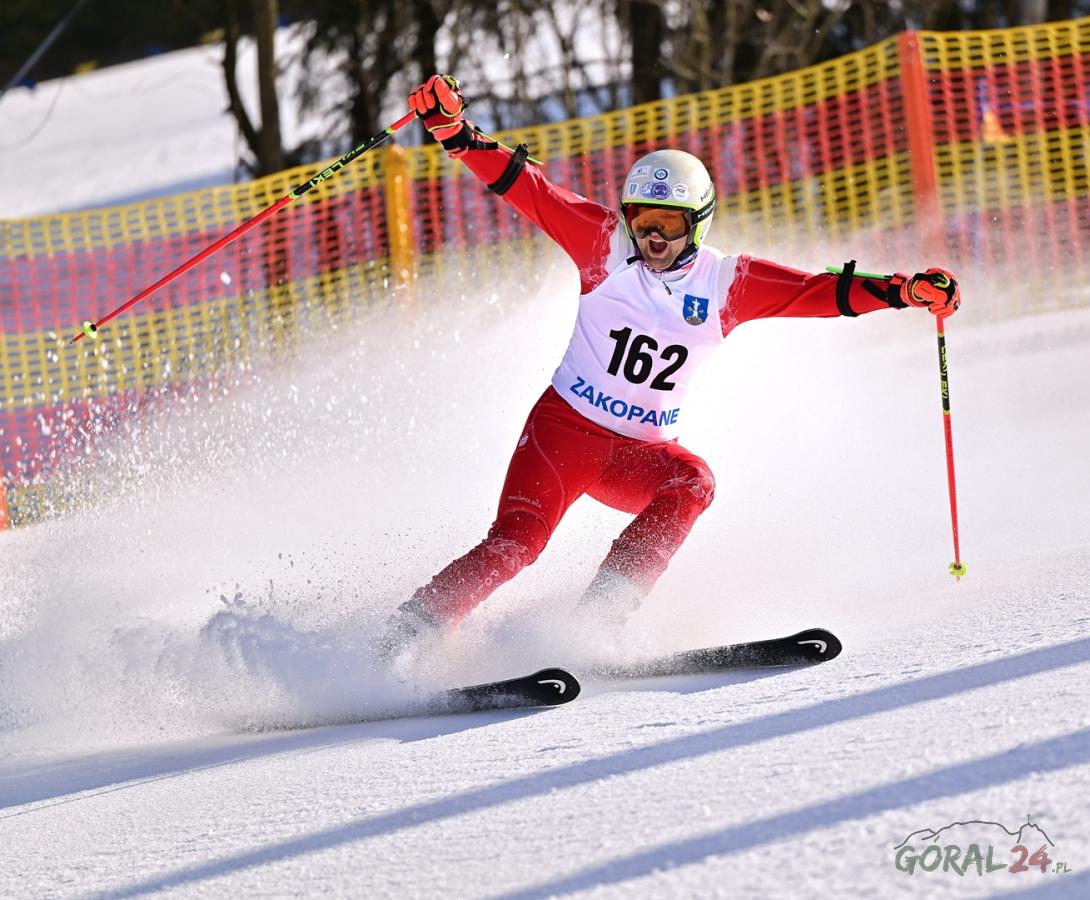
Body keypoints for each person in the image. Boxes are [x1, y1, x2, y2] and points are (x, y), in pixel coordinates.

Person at [378, 74, 961, 659]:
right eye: (643, 220)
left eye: (671, 224)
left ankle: (597, 622)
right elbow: (528, 188)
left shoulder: (726, 282)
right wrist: (453, 131)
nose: (654, 237)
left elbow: (819, 291)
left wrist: (903, 291)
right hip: (563, 434)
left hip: (639, 454)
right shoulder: (604, 245)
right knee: (517, 543)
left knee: (693, 482)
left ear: (698, 223)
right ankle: (402, 634)